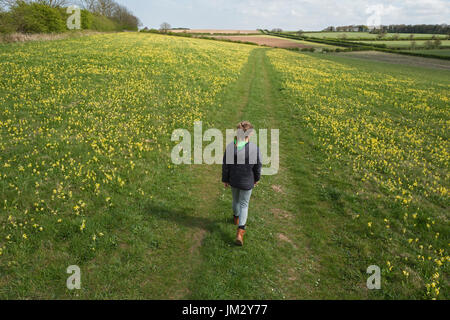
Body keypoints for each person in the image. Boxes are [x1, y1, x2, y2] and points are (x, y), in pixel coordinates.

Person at [222, 121, 262, 246]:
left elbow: (226, 166)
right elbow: (258, 166)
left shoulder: (230, 147)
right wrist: (257, 178)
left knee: (236, 200)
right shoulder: (254, 149)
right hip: (247, 181)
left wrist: (225, 179)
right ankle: (240, 231)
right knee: (244, 204)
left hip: (234, 180)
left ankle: (235, 218)